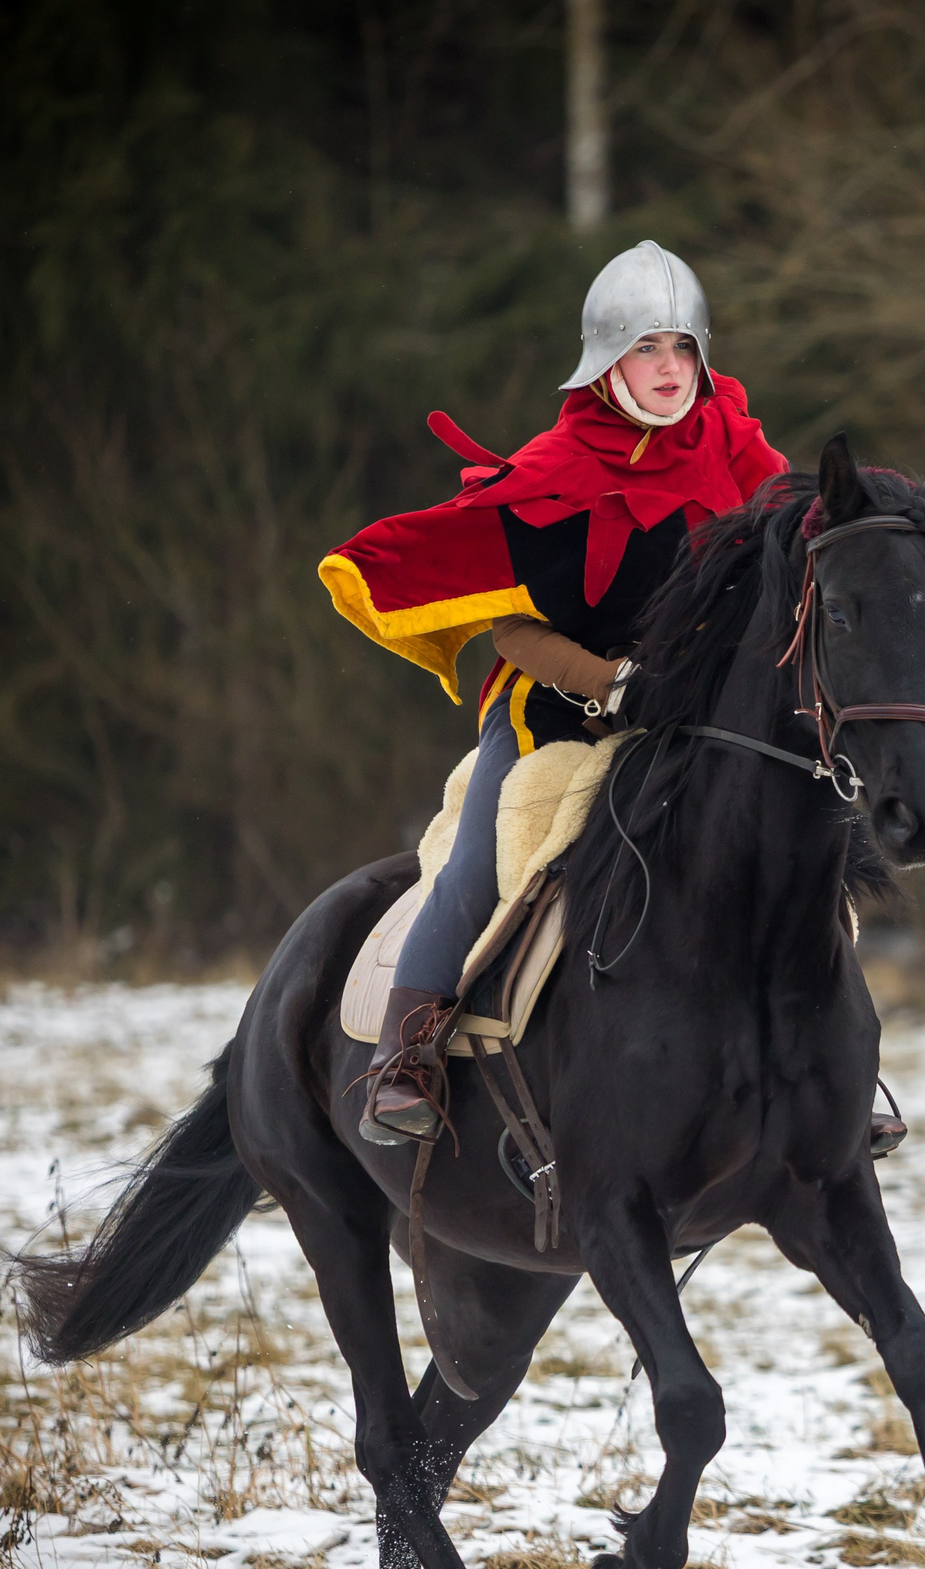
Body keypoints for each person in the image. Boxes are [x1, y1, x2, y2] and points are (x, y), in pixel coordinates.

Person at [319, 241, 788, 1144]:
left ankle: (835, 1064)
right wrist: (613, 682)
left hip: (694, 710)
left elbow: (801, 541)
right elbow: (512, 627)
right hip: (551, 708)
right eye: (648, 349)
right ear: (608, 361)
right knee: (490, 858)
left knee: (794, 830)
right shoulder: (552, 466)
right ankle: (405, 1055)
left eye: (683, 348)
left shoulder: (735, 444)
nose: (669, 369)